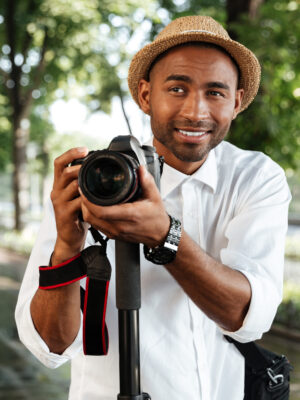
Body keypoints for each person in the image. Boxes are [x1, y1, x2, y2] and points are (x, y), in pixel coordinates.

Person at [15, 15, 291, 400]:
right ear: (146, 95)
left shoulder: (255, 178)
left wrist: (165, 235)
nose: (196, 112)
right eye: (177, 88)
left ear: (237, 101)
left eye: (215, 92)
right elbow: (50, 347)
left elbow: (248, 317)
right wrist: (67, 244)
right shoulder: (95, 181)